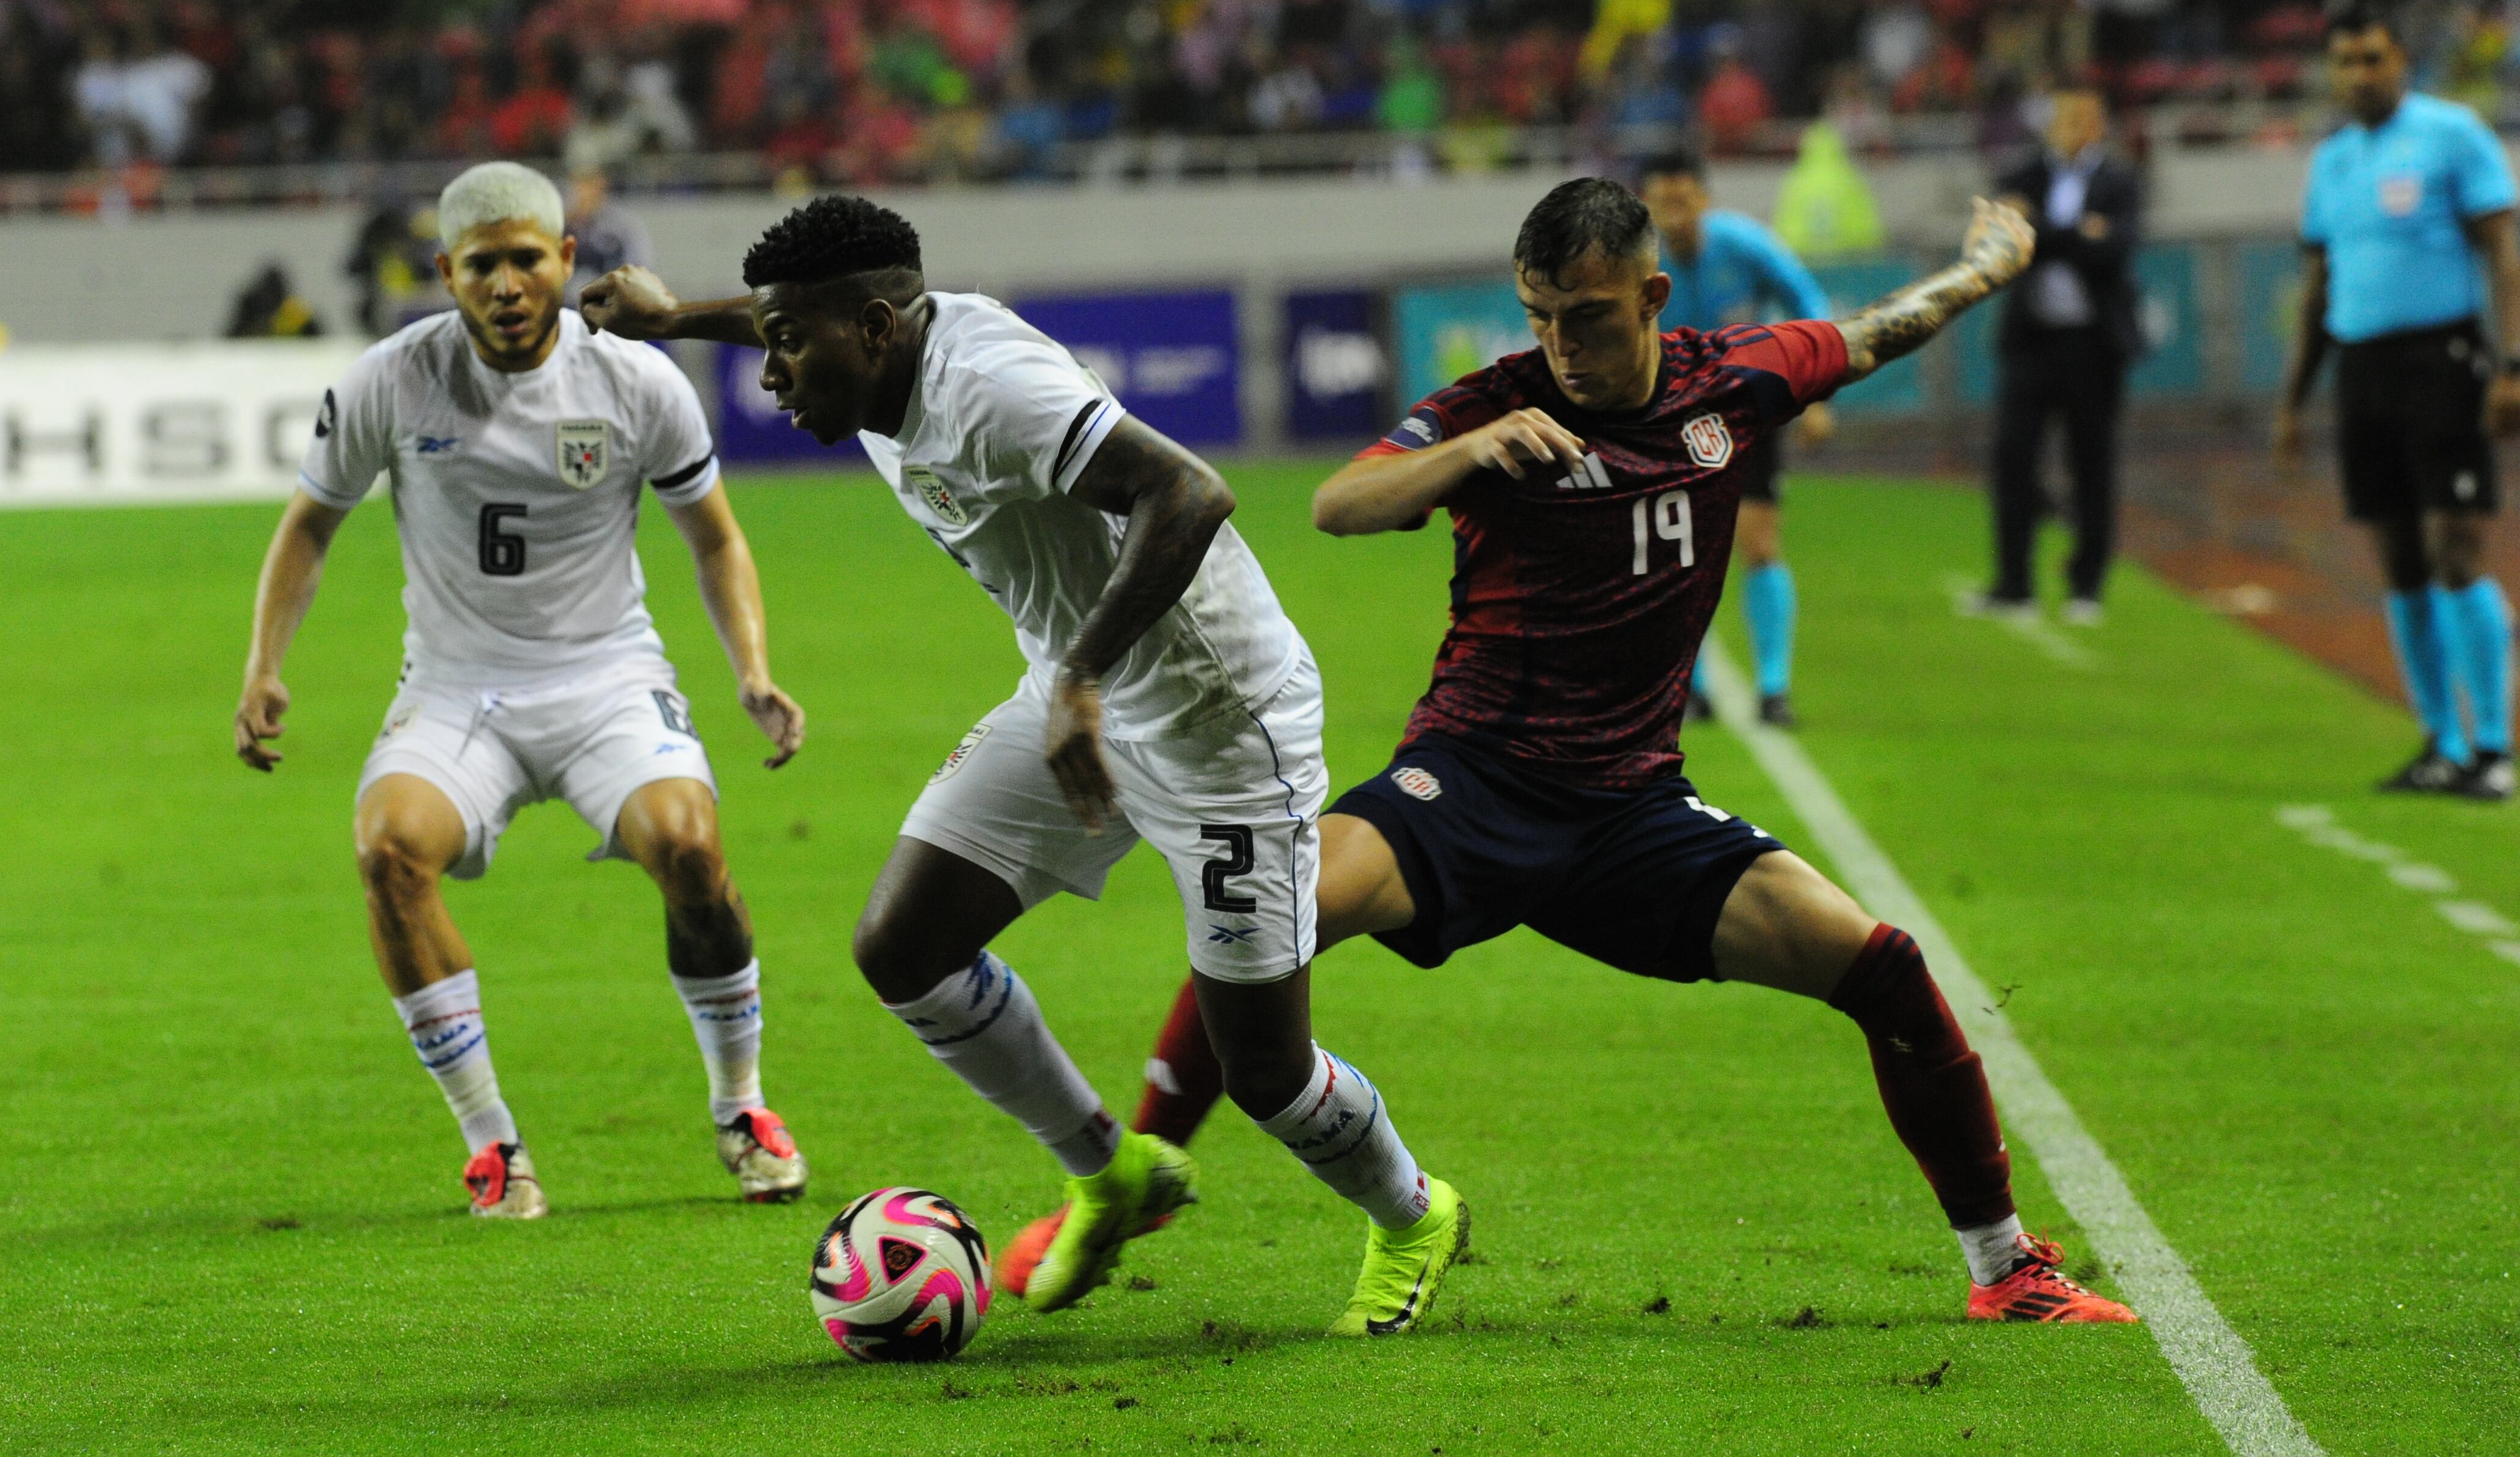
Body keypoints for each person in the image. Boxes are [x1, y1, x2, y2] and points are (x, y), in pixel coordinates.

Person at [997, 177, 2139, 1328]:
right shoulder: (1497, 404)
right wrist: (1474, 451)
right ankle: (1135, 1180)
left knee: (1886, 969)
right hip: (1470, 782)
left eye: (1586, 317)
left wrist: (1985, 270)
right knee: (1270, 912)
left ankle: (2006, 1270)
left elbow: (1875, 332)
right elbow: (1343, 503)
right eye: (1538, 315)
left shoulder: (1731, 378)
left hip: (1634, 813)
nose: (1559, 344)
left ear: (1652, 296)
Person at [577, 196, 1467, 1338]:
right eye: (775, 337)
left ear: (881, 327)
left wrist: (1087, 673)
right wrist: (673, 318)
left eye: (793, 344)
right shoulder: (880, 356)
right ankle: (1112, 1172)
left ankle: (1410, 1211)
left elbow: (1190, 491)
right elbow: (795, 316)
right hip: (1072, 702)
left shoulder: (987, 389)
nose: (775, 370)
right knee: (903, 946)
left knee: (1265, 1070)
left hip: (1218, 725)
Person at [232, 162, 812, 1218]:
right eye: (483, 265)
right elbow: (309, 522)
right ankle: (493, 1141)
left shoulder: (635, 382)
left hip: (607, 680)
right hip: (459, 692)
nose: (507, 284)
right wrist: (265, 664)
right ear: (446, 271)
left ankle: (743, 1105)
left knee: (690, 846)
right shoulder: (392, 378)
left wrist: (753, 671)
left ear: (566, 260)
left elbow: (716, 537)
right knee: (388, 850)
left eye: (527, 260)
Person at [2276, 4, 2520, 799]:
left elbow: (2503, 256)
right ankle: (2438, 741)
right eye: (2345, 63)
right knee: (2399, 562)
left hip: (2441, 361)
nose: (2359, 76)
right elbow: (2319, 285)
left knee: (2456, 546)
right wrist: (2294, 399)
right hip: (2361, 371)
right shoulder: (2334, 160)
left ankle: (2492, 746)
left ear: (2403, 60)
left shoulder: (2452, 135)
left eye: (2373, 60)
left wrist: (2513, 365)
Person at [1644, 147, 1833, 728]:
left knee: (1759, 543)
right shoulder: (1636, 262)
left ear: (1703, 198)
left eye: (1684, 198)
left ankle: (1773, 688)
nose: (1675, 212)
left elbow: (1808, 301)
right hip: (1669, 417)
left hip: (1747, 408)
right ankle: (1692, 690)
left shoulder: (1744, 244)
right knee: (1676, 554)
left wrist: (1818, 392)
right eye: (1662, 201)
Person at [1967, 83, 2143, 625]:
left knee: (2092, 463)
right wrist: (2075, 235)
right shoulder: (2021, 175)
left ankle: (2086, 586)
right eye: (2066, 116)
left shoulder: (2119, 180)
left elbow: (2114, 251)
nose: (2075, 127)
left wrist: (2041, 230)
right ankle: (2013, 584)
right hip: (2032, 340)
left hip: (2094, 344)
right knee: (2013, 459)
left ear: (2100, 122)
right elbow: (2002, 244)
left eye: (2085, 116)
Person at [565, 166, 654, 304]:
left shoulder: (623, 225)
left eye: (589, 186)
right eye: (579, 186)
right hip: (570, 302)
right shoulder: (564, 224)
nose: (582, 193)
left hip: (612, 302)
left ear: (601, 186)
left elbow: (640, 265)